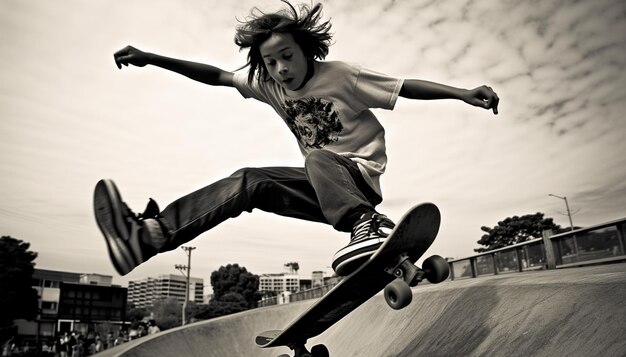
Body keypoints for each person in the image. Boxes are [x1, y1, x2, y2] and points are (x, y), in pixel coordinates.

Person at [96, 1, 499, 277]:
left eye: (287, 56)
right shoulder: (267, 84)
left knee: (319, 157)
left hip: (356, 180)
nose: (281, 69)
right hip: (322, 193)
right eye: (270, 62)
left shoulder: (342, 76)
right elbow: (217, 76)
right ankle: (151, 237)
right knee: (249, 180)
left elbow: (404, 86)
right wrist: (153, 57)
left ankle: (367, 225)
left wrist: (461, 93)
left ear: (305, 50)